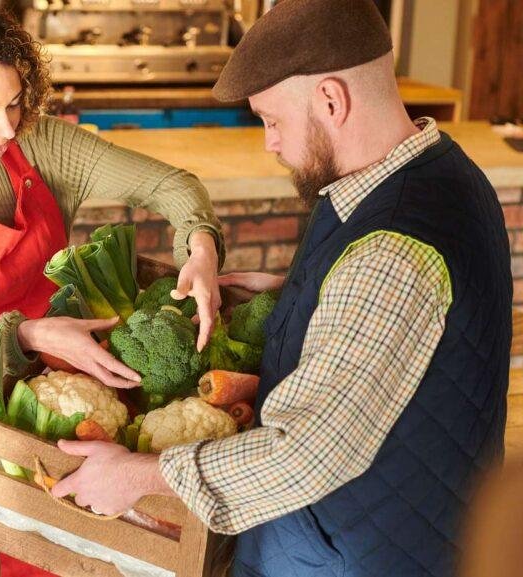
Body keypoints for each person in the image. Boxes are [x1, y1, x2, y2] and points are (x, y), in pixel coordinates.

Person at [52, 1, 512, 576]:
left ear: (330, 101)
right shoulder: (440, 174)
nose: (269, 143)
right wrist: (311, 293)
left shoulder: (389, 253)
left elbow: (303, 456)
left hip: (358, 557)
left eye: (271, 120)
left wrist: (134, 477)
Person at [0, 3, 225, 576]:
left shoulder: (44, 149)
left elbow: (170, 184)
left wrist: (199, 247)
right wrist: (28, 332)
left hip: (62, 411)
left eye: (14, 104)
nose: (7, 128)